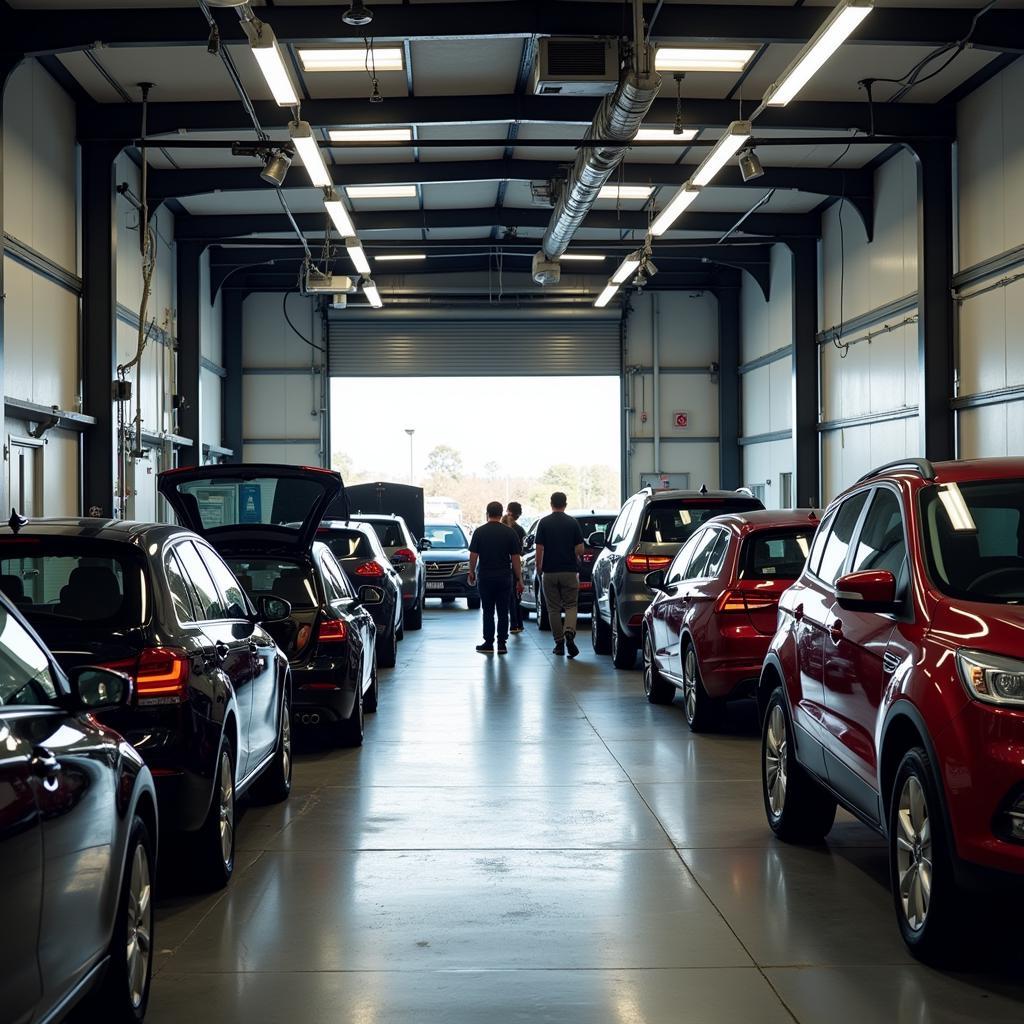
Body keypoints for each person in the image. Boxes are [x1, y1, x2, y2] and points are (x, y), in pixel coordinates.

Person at [468, 501, 524, 655]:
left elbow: (473, 555)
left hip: (485, 577)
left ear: (487, 514)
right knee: (503, 611)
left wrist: (471, 572)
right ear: (501, 514)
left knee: (487, 611)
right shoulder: (510, 532)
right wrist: (519, 578)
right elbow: (515, 558)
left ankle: (488, 642)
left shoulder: (479, 532)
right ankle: (501, 644)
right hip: (504, 577)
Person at [535, 491, 585, 658]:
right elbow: (580, 549)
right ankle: (569, 631)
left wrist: (539, 566)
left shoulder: (543, 523)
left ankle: (559, 643)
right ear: (565, 503)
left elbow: (539, 548)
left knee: (553, 609)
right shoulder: (572, 523)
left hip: (549, 571)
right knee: (571, 605)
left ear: (551, 503)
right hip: (569, 571)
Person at [502, 502, 527, 634]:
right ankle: (517, 623)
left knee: (505, 599)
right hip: (514, 566)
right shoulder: (519, 530)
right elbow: (521, 552)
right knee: (515, 596)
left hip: (501, 567)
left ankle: (512, 624)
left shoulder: (500, 529)